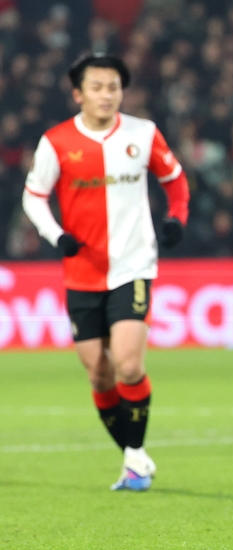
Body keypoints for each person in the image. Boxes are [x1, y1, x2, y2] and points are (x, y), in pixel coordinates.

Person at [21, 53, 190, 491]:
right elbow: (34, 197)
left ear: (122, 91)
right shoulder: (56, 142)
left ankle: (134, 458)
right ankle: (135, 456)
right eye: (96, 86)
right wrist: (55, 235)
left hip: (133, 265)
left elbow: (175, 180)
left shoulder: (143, 133)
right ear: (78, 93)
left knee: (129, 365)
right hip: (82, 270)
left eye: (113, 86)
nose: (106, 94)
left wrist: (176, 219)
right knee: (98, 372)